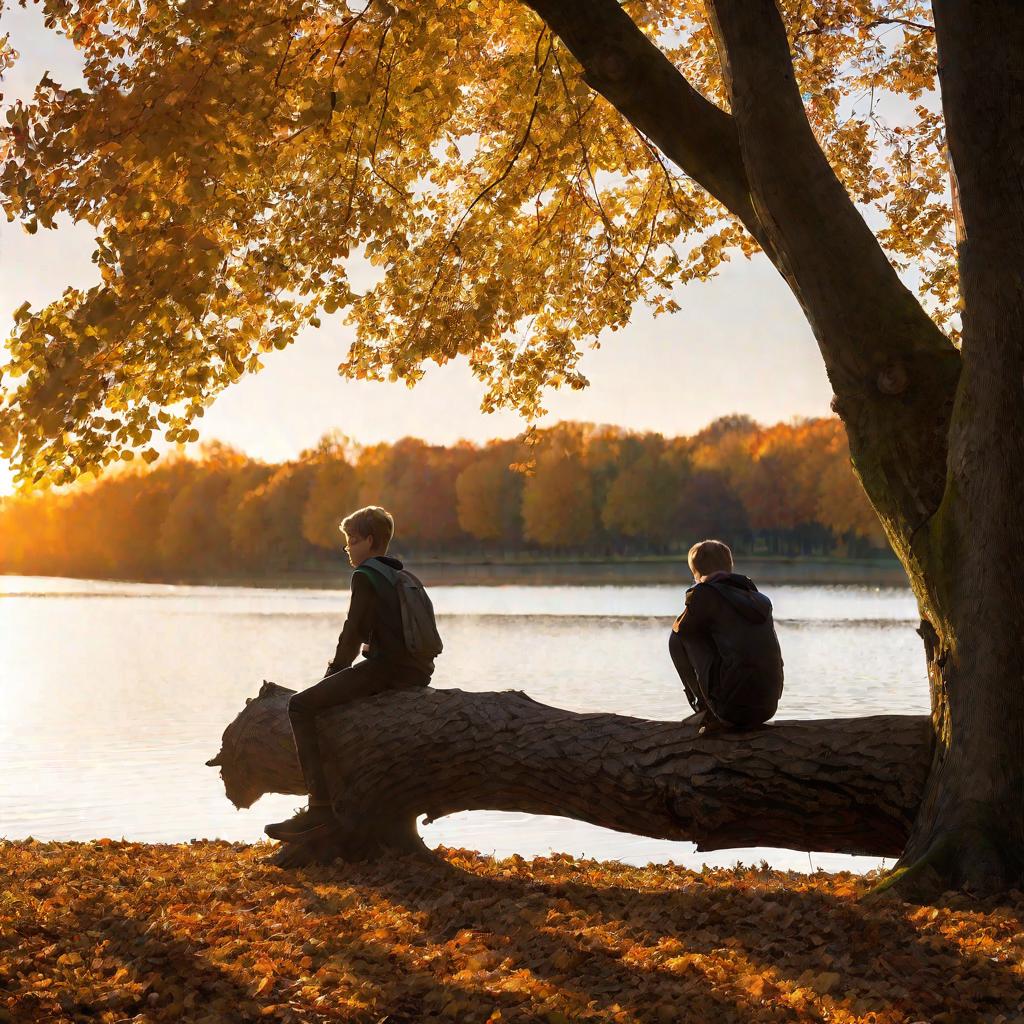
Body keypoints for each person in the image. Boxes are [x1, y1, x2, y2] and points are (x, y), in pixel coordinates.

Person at [265, 505, 435, 842]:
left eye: (352, 541)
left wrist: (333, 673)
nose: (348, 549)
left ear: (370, 541)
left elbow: (352, 631)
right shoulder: (397, 574)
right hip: (415, 672)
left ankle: (320, 807)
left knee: (300, 706)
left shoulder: (366, 576)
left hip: (384, 671)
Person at [668, 539, 784, 731]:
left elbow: (680, 630)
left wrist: (696, 590)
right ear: (729, 566)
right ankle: (716, 706)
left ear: (696, 571)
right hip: (767, 707)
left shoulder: (704, 594)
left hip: (731, 710)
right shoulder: (759, 598)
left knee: (678, 638)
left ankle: (704, 710)